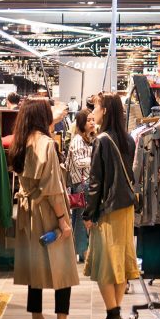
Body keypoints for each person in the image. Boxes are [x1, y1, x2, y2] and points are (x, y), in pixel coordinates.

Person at [9, 98, 79, 319]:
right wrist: (62, 220)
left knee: (35, 267)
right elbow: (53, 189)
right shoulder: (46, 144)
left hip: (27, 213)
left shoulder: (20, 142)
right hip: (47, 211)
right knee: (63, 267)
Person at [83, 92, 140, 319]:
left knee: (104, 265)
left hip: (108, 209)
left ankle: (114, 318)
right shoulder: (128, 139)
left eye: (95, 108)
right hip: (126, 208)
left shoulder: (102, 140)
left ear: (105, 110)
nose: (92, 112)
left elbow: (95, 182)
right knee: (120, 264)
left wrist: (89, 213)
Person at [66, 109, 96, 261]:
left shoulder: (90, 138)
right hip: (81, 184)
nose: (92, 122)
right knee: (81, 219)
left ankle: (82, 251)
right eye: (88, 120)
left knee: (82, 218)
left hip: (84, 183)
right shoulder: (78, 140)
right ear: (82, 123)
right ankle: (83, 252)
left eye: (93, 119)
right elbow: (78, 162)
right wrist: (95, 156)